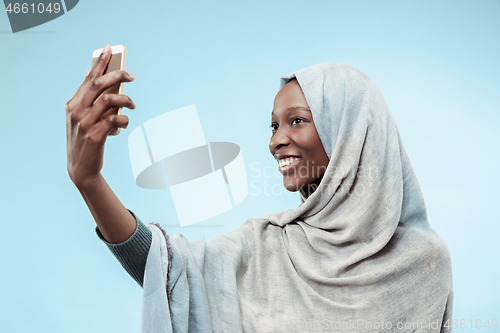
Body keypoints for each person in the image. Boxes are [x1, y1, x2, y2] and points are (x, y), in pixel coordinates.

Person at [66, 45, 453, 332]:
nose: (275, 142)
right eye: (273, 126)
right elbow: (169, 269)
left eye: (296, 121)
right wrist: (89, 180)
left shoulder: (422, 261)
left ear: (352, 134)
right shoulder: (266, 246)